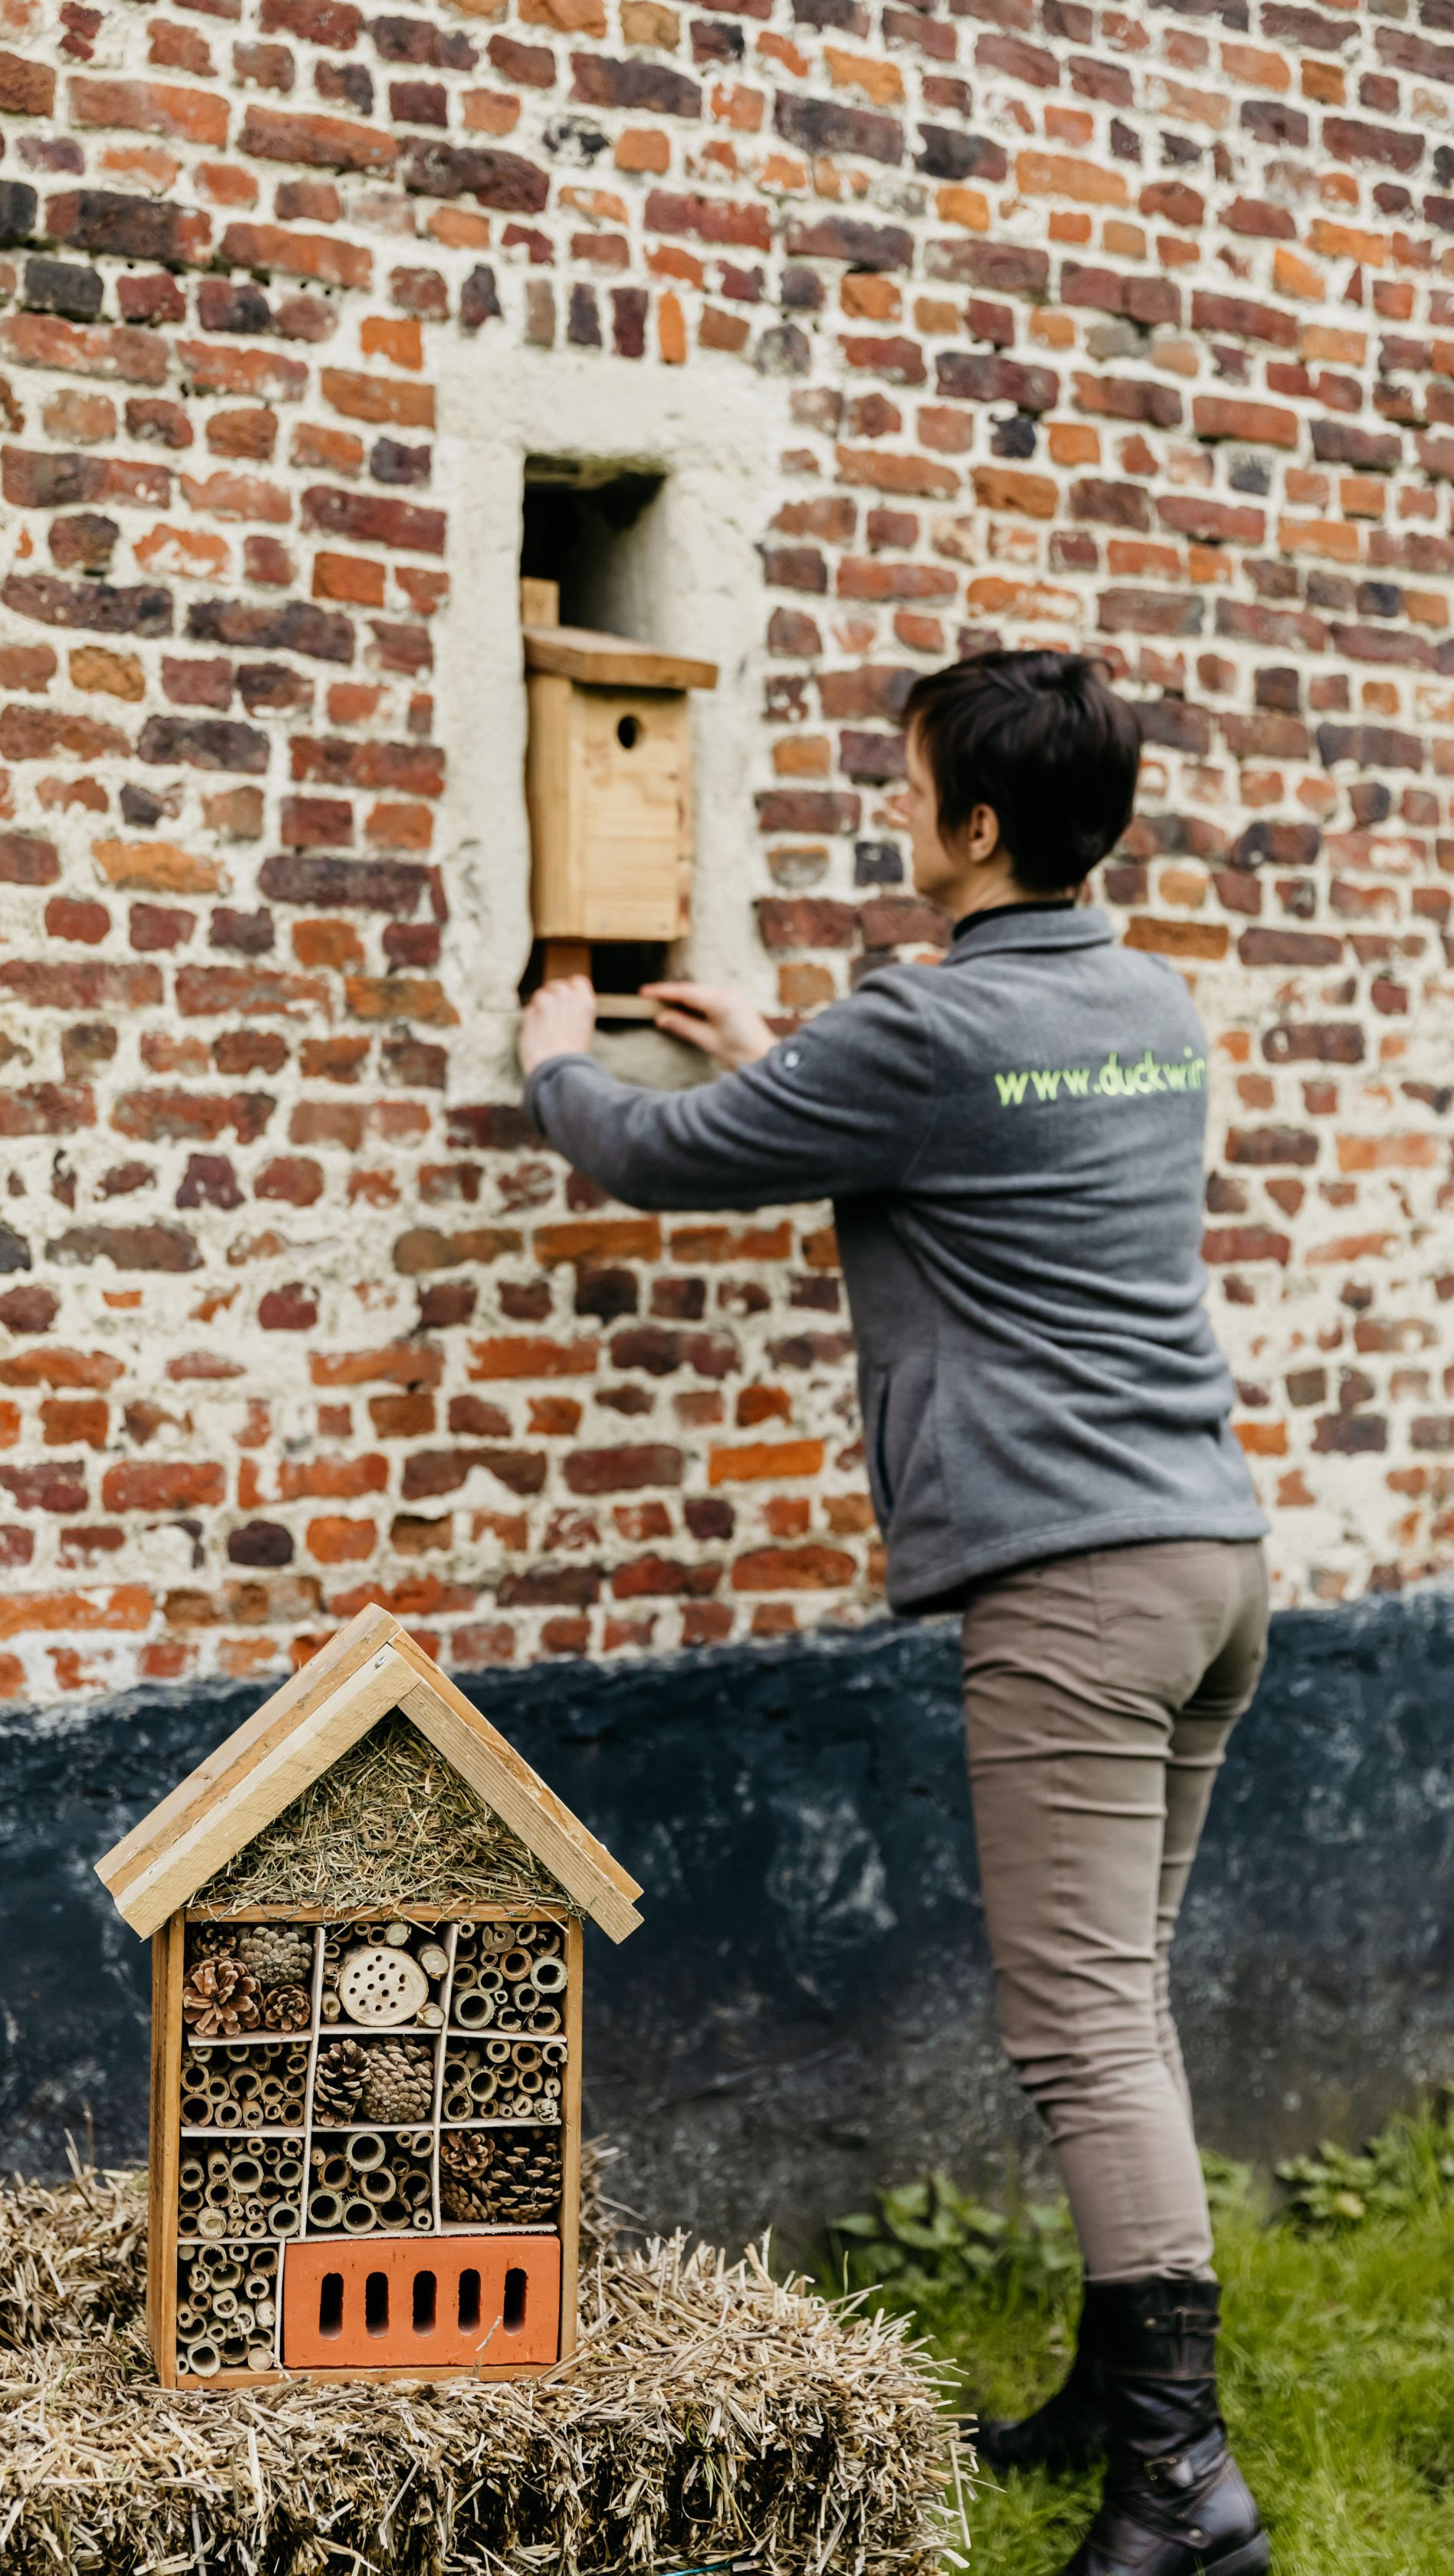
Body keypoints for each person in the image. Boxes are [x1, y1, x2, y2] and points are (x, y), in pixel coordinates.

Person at [518, 649, 1272, 2576]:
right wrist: (799, 1040)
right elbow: (986, 1129)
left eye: (909, 783)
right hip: (1211, 1570)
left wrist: (551, 1044)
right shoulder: (1150, 1004)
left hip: (1071, 1591)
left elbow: (662, 1153)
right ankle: (1124, 2390)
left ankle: (1182, 2485)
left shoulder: (920, 1032)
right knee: (1132, 1998)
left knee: (1082, 2029)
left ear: (980, 828)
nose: (892, 811)